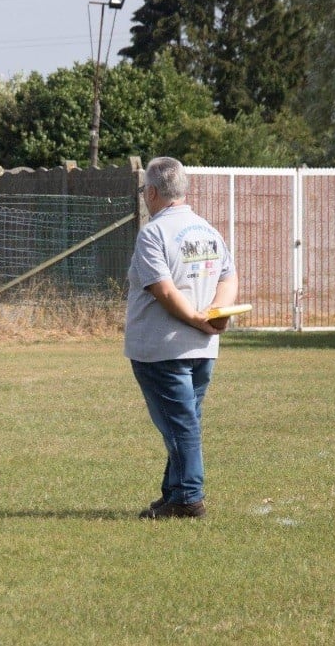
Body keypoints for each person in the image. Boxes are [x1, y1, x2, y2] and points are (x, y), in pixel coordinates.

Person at [125, 157, 238, 519]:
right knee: (185, 421)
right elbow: (228, 277)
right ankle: (174, 491)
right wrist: (215, 315)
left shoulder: (153, 233)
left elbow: (163, 290)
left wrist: (198, 319)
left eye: (145, 189)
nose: (144, 195)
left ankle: (189, 498)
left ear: (154, 192)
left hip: (162, 349)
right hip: (203, 348)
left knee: (180, 425)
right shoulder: (207, 230)